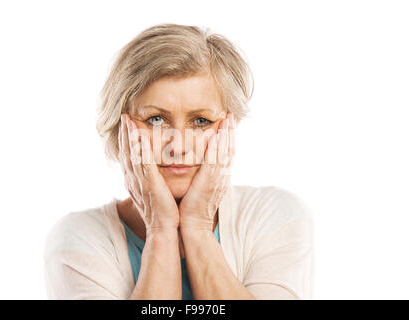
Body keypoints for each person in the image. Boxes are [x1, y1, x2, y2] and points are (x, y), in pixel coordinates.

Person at [44, 23, 314, 300]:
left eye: (201, 121)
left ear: (228, 128)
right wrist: (160, 231)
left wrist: (197, 227)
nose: (179, 147)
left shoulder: (274, 216)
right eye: (156, 119)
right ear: (119, 127)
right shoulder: (79, 238)